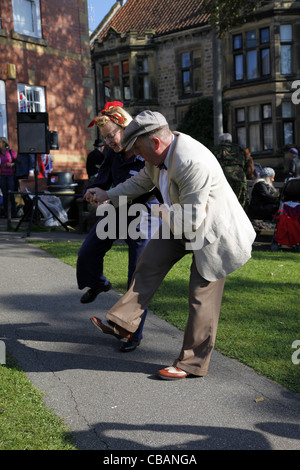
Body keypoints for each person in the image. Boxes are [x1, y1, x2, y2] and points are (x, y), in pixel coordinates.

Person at [87, 110, 256, 380]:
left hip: (212, 231)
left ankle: (192, 364)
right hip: (180, 218)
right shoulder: (158, 154)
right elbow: (141, 181)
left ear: (155, 143)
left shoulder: (191, 161)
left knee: (201, 297)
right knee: (149, 262)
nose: (138, 156)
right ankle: (123, 323)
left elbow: (192, 220)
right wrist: (108, 193)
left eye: (139, 150)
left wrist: (160, 213)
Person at [77, 102, 161, 352]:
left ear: (125, 127)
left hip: (143, 211)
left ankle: (133, 333)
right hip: (117, 208)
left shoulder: (144, 150)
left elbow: (147, 186)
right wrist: (91, 191)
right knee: (88, 252)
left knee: (138, 274)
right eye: (106, 138)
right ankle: (99, 283)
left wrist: (107, 193)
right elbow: (102, 179)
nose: (109, 142)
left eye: (111, 135)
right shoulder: (112, 153)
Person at [213, 133, 249, 207]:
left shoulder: (215, 149)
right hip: (240, 176)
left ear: (219, 141)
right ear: (231, 140)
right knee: (239, 202)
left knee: (224, 201)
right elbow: (246, 163)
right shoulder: (239, 149)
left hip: (224, 176)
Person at [0, 137, 18, 218]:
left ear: (4, 143)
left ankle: (14, 213)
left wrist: (11, 164)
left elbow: (18, 161)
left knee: (11, 194)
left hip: (10, 175)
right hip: (2, 176)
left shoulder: (10, 152)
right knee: (5, 195)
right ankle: (6, 214)